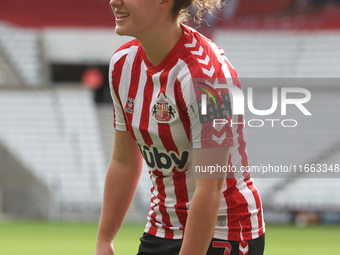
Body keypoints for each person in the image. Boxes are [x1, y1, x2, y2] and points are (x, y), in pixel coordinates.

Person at [94, 0, 265, 255]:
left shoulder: (208, 76)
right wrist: (104, 241)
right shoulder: (122, 65)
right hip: (161, 228)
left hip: (224, 230)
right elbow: (124, 162)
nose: (114, 1)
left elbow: (210, 189)